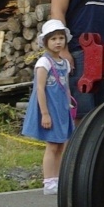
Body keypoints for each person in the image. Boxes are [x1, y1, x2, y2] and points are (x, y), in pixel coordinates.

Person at [21, 19, 76, 195]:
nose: (58, 42)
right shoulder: (43, 63)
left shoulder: (64, 63)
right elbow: (39, 89)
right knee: (52, 145)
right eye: (53, 39)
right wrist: (45, 113)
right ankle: (49, 180)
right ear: (45, 42)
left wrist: (68, 105)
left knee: (61, 145)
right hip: (49, 108)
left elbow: (66, 86)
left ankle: (58, 178)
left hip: (61, 108)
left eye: (61, 38)